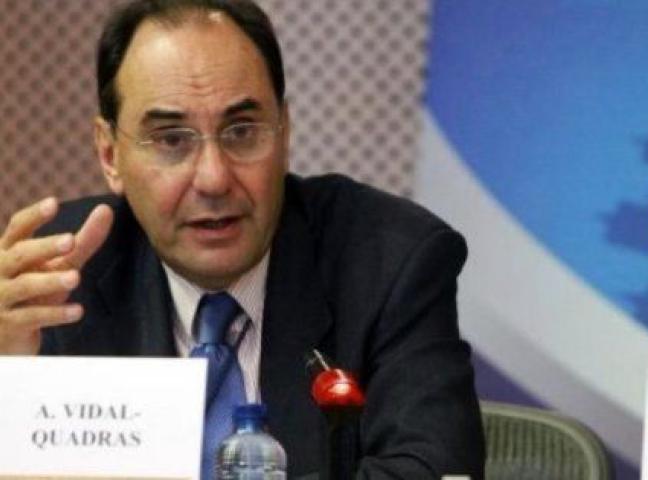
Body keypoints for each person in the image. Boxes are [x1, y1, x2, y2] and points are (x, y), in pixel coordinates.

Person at [0, 0, 485, 478]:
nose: (213, 178)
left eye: (242, 131)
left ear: (284, 132)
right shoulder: (57, 278)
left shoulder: (390, 262)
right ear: (110, 155)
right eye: (171, 139)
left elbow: (434, 468)